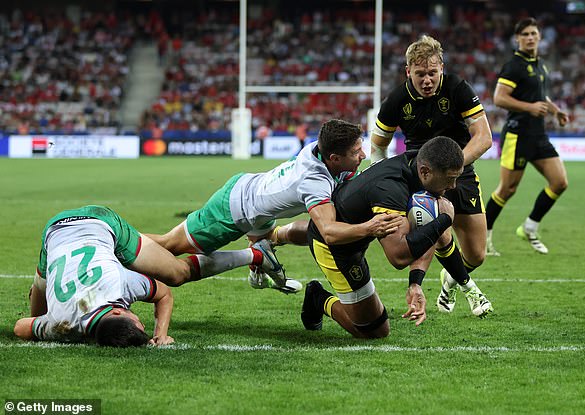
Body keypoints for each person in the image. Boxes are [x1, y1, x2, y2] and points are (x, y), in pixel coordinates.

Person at [146, 119, 402, 293]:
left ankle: (262, 256)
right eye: (357, 151)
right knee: (170, 246)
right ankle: (118, 243)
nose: (362, 155)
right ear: (335, 158)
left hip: (258, 205)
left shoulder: (320, 150)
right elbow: (330, 234)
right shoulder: (314, 181)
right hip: (234, 209)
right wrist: (370, 227)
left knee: (303, 229)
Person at [301, 136, 493, 339]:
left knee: (435, 226)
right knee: (373, 331)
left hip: (360, 236)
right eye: (449, 179)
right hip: (336, 248)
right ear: (425, 172)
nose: (453, 186)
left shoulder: (417, 165)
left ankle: (282, 235)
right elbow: (398, 257)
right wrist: (445, 220)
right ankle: (318, 298)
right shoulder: (391, 189)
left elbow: (431, 235)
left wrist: (415, 283)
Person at [369, 35, 493, 314]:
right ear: (408, 72)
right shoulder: (396, 100)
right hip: (421, 178)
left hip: (461, 172)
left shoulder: (457, 88)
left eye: (432, 73)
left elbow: (483, 138)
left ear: (442, 69)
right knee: (436, 230)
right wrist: (387, 183)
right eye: (420, 74)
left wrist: (454, 169)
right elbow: (377, 146)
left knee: (477, 254)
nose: (427, 80)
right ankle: (465, 289)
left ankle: (449, 280)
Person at [13, 206, 174, 347]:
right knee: (38, 314)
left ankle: (41, 290)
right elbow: (20, 328)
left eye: (139, 323)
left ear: (118, 312)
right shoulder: (61, 324)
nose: (142, 323)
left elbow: (164, 293)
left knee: (177, 274)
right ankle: (42, 291)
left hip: (88, 223)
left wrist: (161, 335)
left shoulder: (120, 285)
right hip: (65, 227)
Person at [484, 17, 569, 255]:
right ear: (518, 39)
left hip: (538, 135)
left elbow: (540, 96)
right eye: (525, 34)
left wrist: (556, 111)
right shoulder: (514, 65)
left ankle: (529, 228)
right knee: (507, 189)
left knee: (560, 182)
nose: (530, 38)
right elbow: (499, 98)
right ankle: (484, 237)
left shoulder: (541, 65)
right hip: (517, 134)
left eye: (533, 33)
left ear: (540, 36)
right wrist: (529, 108)